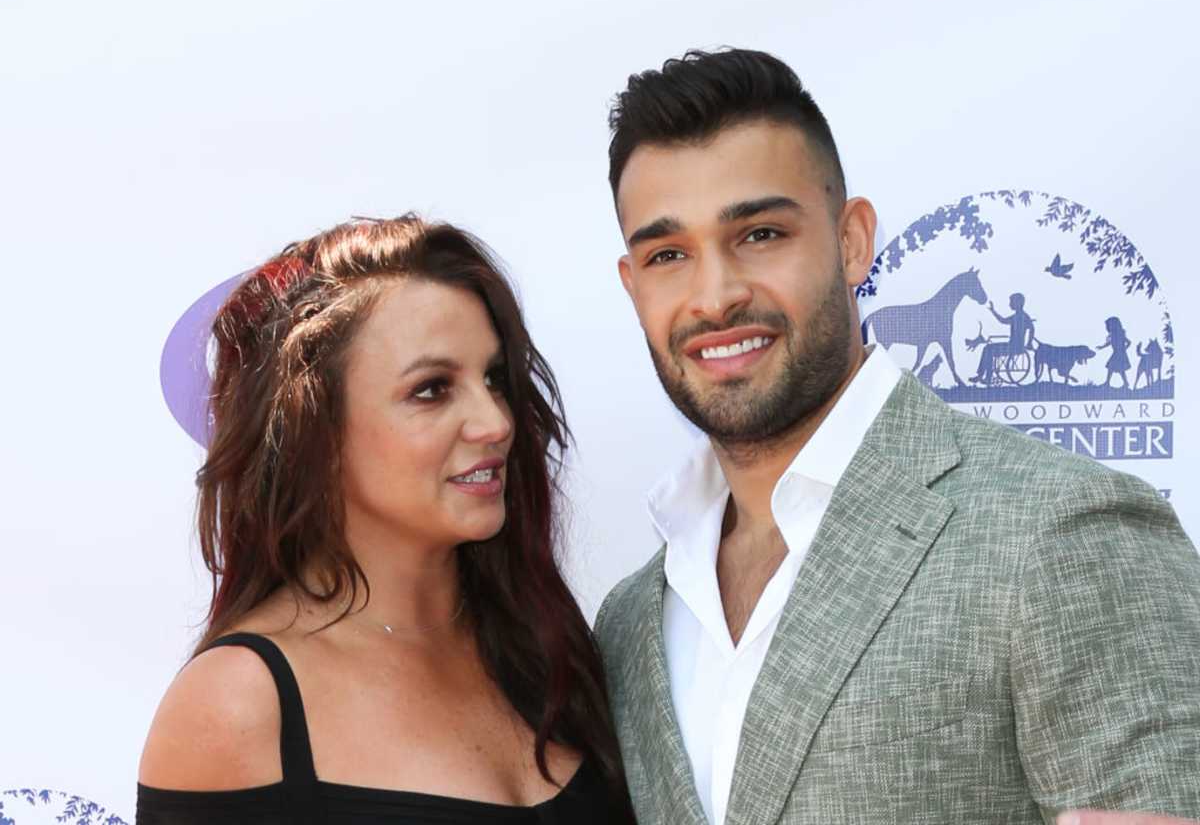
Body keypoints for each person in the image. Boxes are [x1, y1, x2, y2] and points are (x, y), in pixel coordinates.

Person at [593, 48, 1200, 825]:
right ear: (632, 284)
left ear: (852, 242)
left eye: (761, 234)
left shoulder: (1060, 532)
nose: (715, 297)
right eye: (669, 255)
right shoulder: (629, 621)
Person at [137, 216, 634, 824]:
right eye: (431, 389)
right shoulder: (240, 703)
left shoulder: (547, 648)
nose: (496, 423)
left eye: (494, 379)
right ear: (315, 433)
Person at [971, 292, 1036, 385]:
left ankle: (985, 376)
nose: (1010, 304)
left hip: (1016, 347)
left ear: (1018, 303)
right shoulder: (1017, 316)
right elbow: (1003, 321)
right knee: (988, 349)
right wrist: (993, 311)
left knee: (989, 350)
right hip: (1012, 345)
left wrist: (1029, 343)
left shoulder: (1023, 316)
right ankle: (983, 375)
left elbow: (1032, 328)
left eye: (1011, 302)